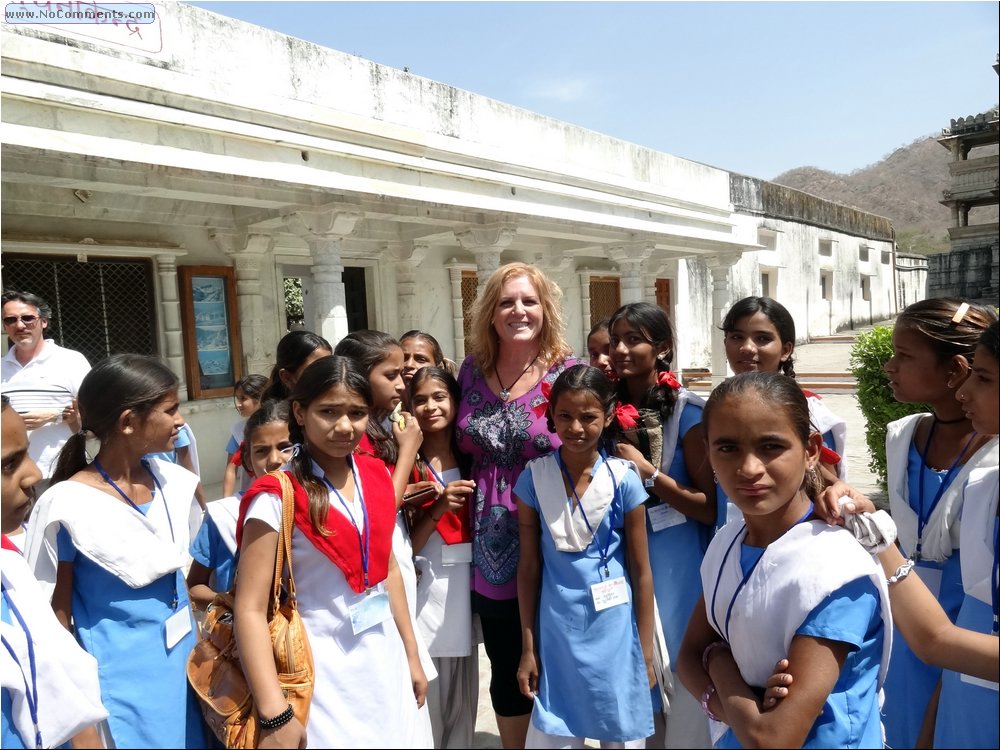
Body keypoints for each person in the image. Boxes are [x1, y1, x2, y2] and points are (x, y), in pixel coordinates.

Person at [677, 372, 891, 749]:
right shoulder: (728, 542)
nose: (749, 468)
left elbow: (773, 739)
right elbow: (688, 657)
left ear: (810, 449)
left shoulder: (835, 569)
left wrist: (720, 665)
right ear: (707, 450)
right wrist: (740, 703)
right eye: (727, 448)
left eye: (771, 446)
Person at [233, 355, 429, 747]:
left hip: (383, 662)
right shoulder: (277, 496)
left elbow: (387, 568)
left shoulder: (374, 473)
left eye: (357, 413)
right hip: (321, 678)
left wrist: (411, 655)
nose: (345, 426)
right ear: (300, 413)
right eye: (329, 412)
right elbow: (249, 608)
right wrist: (276, 712)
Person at [23, 354, 206, 748]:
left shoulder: (174, 483)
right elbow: (53, 618)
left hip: (187, 669)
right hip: (119, 685)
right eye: (170, 410)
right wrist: (78, 722)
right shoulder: (66, 505)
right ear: (127, 422)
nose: (180, 421)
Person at [455, 261, 576, 749]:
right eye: (507, 302)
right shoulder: (469, 371)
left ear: (545, 309)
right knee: (506, 658)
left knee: (558, 650)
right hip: (486, 534)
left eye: (529, 301)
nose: (519, 310)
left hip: (551, 529)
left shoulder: (568, 372)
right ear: (490, 311)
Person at [514, 364, 654, 748]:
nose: (576, 428)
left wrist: (644, 650)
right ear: (550, 416)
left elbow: (641, 571)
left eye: (589, 417)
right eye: (565, 416)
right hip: (558, 630)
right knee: (555, 730)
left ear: (608, 417)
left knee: (619, 727)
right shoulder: (534, 478)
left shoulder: (623, 478)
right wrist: (529, 647)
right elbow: (528, 569)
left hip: (615, 627)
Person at [879, 297, 997, 749]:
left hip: (961, 629)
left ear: (955, 371)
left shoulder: (993, 462)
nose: (890, 367)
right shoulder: (903, 436)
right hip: (905, 617)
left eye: (905, 357)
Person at [606, 301, 715, 749]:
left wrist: (647, 473)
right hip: (619, 555)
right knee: (633, 660)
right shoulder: (604, 409)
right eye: (615, 340)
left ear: (663, 348)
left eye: (634, 339)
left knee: (678, 662)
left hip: (676, 560)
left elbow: (707, 506)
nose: (621, 349)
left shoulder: (688, 414)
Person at [333, 329, 437, 743]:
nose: (402, 383)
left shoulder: (380, 427)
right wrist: (409, 449)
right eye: (391, 374)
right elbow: (378, 509)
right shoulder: (349, 439)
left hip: (394, 550)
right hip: (376, 553)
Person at [1, 395, 108, 750]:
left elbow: (66, 696)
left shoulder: (12, 566)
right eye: (8, 464)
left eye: (26, 453)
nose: (33, 473)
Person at [406, 366, 478, 749]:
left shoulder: (473, 458)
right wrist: (437, 508)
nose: (430, 406)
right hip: (425, 587)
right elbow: (403, 546)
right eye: (420, 400)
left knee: (463, 687)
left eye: (439, 397)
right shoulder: (406, 463)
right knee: (430, 685)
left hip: (466, 586)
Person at [721, 296, 847, 485]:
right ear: (725, 344)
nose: (747, 347)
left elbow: (828, 489)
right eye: (737, 337)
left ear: (786, 350)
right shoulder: (716, 410)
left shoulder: (811, 414)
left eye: (762, 338)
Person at [187, 399, 294, 612]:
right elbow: (194, 586)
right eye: (261, 451)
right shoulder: (224, 517)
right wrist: (235, 605)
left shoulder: (319, 507)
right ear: (247, 459)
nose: (274, 460)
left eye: (285, 448)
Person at [1, 290, 91, 493]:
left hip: (61, 472)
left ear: (43, 322)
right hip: (11, 476)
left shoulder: (72, 361)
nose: (20, 325)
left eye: (28, 318)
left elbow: (95, 416)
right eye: (10, 320)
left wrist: (56, 416)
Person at [222, 373, 267, 498]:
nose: (238, 404)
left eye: (243, 398)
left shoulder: (281, 426)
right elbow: (231, 468)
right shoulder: (239, 431)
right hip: (251, 495)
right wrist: (226, 501)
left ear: (259, 399)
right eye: (237, 399)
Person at [259, 330, 332, 403]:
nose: (326, 377)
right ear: (287, 377)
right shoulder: (275, 413)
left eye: (329, 367)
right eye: (315, 370)